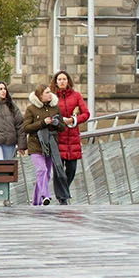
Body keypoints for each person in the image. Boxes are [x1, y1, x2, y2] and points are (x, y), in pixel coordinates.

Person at [20, 83, 64, 206]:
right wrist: (42, 123)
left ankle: (36, 201)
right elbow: (26, 127)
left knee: (46, 174)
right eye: (46, 92)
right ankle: (46, 195)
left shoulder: (55, 108)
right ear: (39, 96)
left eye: (50, 92)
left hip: (50, 144)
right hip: (35, 144)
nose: (50, 94)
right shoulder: (31, 109)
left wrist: (56, 123)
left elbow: (62, 127)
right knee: (41, 170)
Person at [50, 70, 90, 204]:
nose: (62, 81)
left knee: (72, 168)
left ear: (68, 81)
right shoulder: (52, 97)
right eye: (59, 79)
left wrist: (74, 119)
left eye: (64, 79)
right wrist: (59, 121)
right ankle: (63, 197)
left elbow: (86, 113)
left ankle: (63, 191)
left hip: (72, 136)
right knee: (58, 169)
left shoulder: (76, 96)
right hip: (57, 136)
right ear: (56, 82)